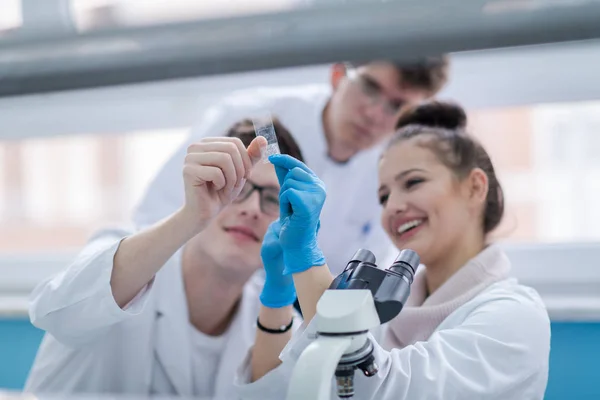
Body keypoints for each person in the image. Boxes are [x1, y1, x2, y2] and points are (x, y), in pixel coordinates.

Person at [236, 102, 551, 399]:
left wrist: (306, 257)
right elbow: (285, 391)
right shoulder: (384, 314)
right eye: (384, 197)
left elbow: (374, 387)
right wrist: (277, 296)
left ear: (475, 187)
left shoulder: (514, 315)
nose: (394, 207)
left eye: (413, 182)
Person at [25, 119, 305, 398]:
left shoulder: (275, 320)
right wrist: (191, 217)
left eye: (273, 199)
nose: (252, 209)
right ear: (210, 181)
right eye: (239, 186)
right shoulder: (125, 254)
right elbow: (55, 312)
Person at [134, 59, 450, 274]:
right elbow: (157, 215)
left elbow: (365, 273)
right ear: (338, 75)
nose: (375, 114)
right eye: (369, 88)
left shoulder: (391, 171)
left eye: (397, 106)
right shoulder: (256, 120)